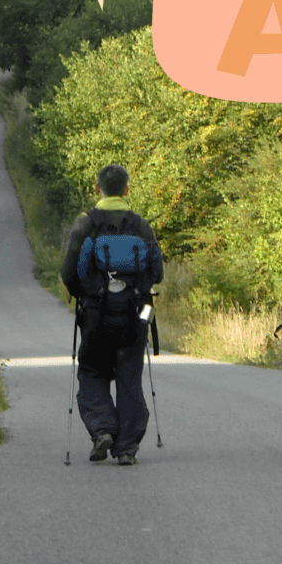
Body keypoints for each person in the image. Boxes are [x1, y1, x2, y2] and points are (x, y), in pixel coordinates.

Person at [60, 164, 164, 466]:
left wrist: (83, 295)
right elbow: (157, 273)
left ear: (97, 189)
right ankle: (127, 447)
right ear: (127, 190)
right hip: (135, 315)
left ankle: (103, 430)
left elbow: (68, 272)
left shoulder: (85, 224)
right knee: (129, 377)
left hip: (95, 315)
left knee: (92, 370)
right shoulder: (140, 226)